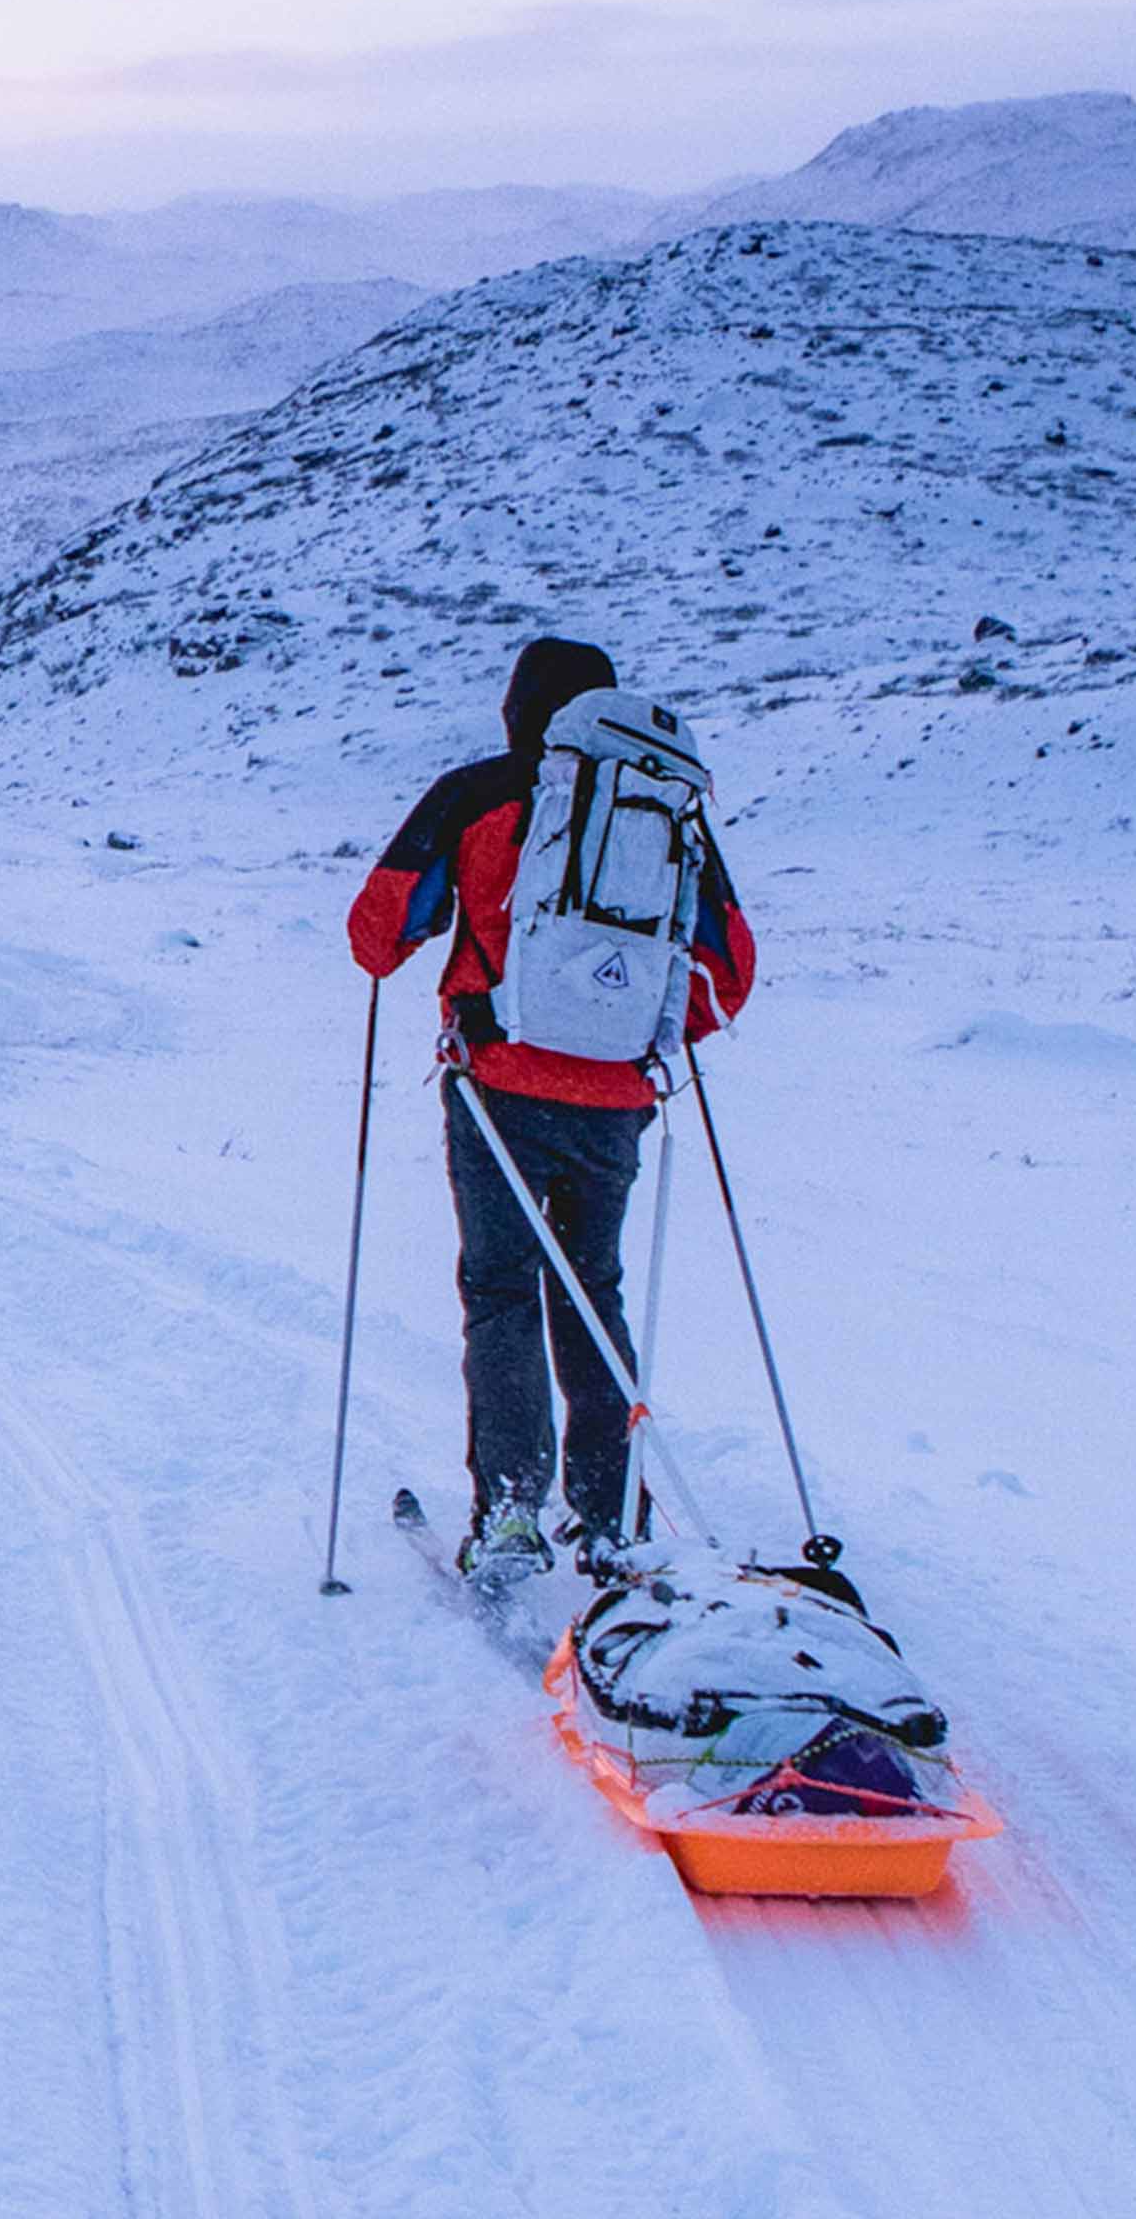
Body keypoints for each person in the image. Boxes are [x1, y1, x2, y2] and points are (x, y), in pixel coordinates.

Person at [347, 637, 754, 1580]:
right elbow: (730, 966)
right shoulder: (663, 806)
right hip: (617, 1100)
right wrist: (633, 1030)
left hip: (497, 1087)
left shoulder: (480, 793)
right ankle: (611, 1516)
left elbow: (377, 933)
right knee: (591, 1289)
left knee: (500, 1290)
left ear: (516, 709)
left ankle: (512, 1514)